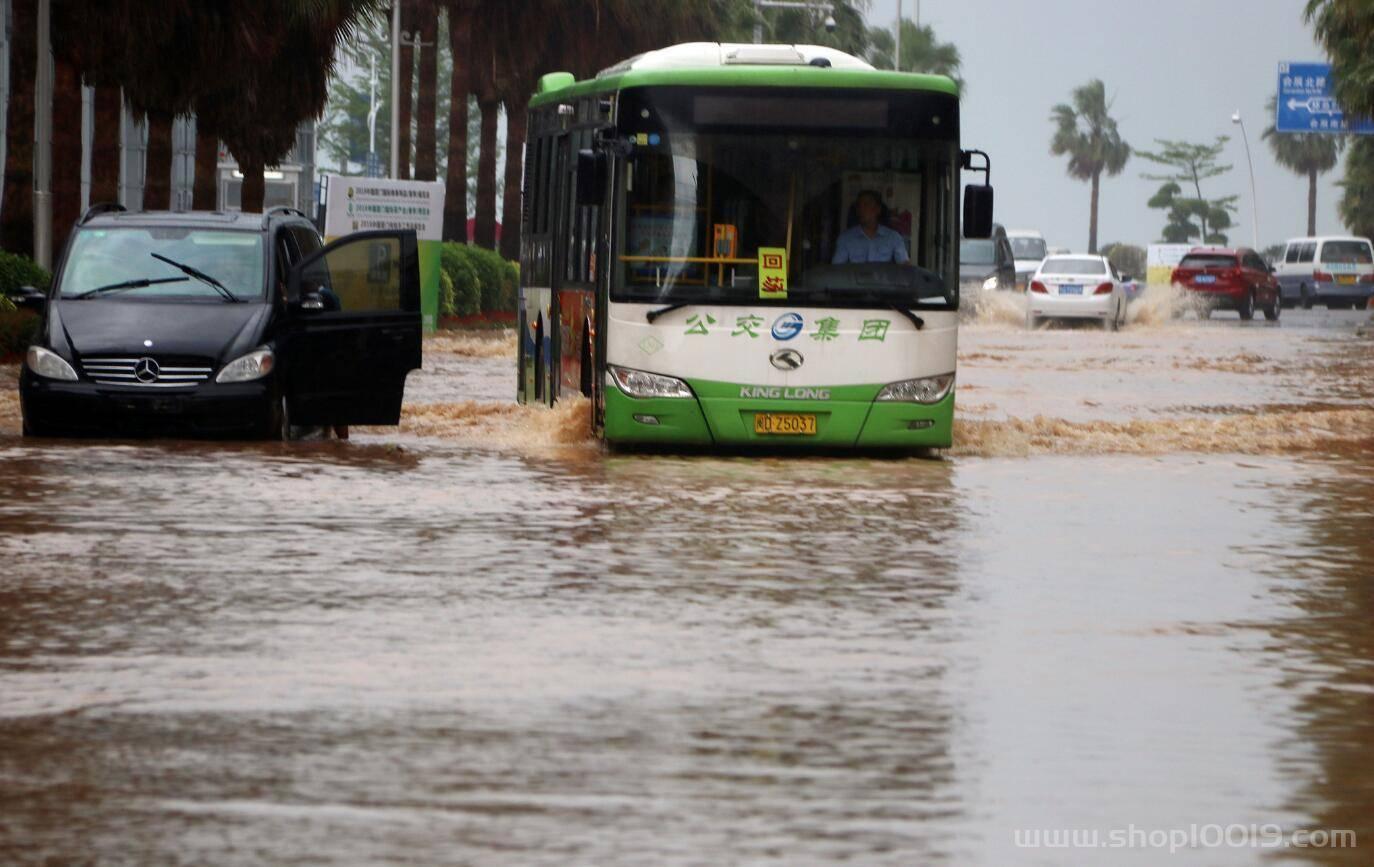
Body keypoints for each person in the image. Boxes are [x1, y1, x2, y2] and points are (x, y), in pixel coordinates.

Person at [831, 190, 910, 265]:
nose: (861, 209)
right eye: (859, 206)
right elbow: (837, 270)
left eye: (866, 205)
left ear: (877, 209)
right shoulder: (846, 238)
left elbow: (905, 268)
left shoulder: (893, 237)